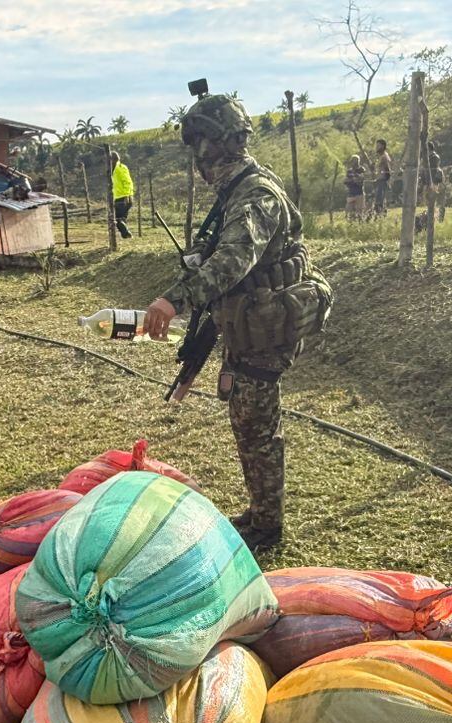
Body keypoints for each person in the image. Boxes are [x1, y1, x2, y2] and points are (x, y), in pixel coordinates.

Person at [142, 93, 334, 554]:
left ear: (216, 144)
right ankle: (259, 512)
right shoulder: (236, 190)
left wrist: (175, 299)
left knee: (257, 428)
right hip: (246, 321)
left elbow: (235, 258)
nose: (197, 159)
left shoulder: (256, 193)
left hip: (266, 326)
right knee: (247, 420)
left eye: (200, 145)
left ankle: (267, 525)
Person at [109, 151, 134, 240]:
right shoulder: (113, 169)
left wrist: (127, 195)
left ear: (113, 160)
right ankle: (126, 236)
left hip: (123, 197)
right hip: (118, 197)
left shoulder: (121, 168)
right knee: (121, 219)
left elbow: (127, 182)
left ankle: (127, 234)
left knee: (117, 218)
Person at [373, 138, 393, 216]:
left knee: (379, 200)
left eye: (378, 146)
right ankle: (381, 216)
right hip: (379, 180)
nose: (376, 147)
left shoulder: (384, 157)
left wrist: (386, 180)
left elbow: (387, 170)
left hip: (382, 181)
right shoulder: (381, 156)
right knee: (380, 200)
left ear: (383, 146)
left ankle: (380, 216)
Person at [344, 154, 366, 220]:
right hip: (351, 193)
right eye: (352, 161)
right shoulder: (349, 171)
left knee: (359, 211)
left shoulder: (361, 169)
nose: (353, 162)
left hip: (359, 193)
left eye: (355, 161)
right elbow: (346, 181)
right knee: (349, 211)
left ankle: (359, 224)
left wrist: (353, 180)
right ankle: (351, 224)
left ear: (358, 161)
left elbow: (360, 181)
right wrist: (353, 180)